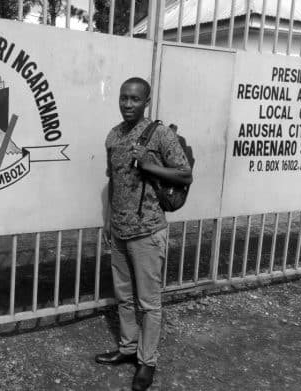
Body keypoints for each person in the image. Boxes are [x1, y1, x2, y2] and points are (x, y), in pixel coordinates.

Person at [96, 77, 192, 391]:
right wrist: (109, 220)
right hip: (121, 230)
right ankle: (127, 348)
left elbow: (184, 173)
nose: (127, 104)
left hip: (148, 230)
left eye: (134, 99)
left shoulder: (160, 134)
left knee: (149, 303)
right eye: (124, 98)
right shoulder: (113, 135)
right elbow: (115, 181)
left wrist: (149, 166)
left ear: (146, 101)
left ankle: (146, 362)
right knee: (124, 297)